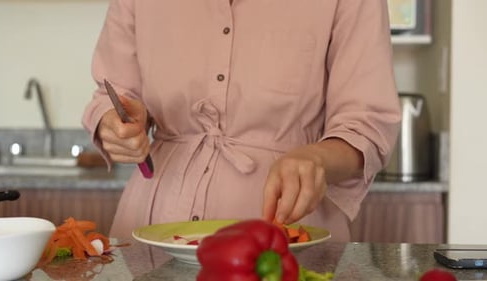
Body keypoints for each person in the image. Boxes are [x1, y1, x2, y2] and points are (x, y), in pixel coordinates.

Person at [82, 0, 401, 242]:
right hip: (149, 228)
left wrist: (317, 158)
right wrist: (114, 122)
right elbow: (112, 94)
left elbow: (367, 124)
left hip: (287, 235)